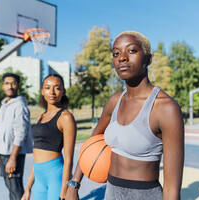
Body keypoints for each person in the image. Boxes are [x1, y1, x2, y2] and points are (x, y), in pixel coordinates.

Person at [65, 31, 184, 200]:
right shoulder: (115, 101)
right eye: (116, 53)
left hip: (145, 195)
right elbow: (93, 140)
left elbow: (172, 189)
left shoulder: (166, 108)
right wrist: (74, 183)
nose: (122, 57)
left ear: (148, 59)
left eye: (132, 50)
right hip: (111, 192)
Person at [21, 74, 77, 200]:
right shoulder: (40, 117)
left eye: (57, 88)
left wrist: (64, 190)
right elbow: (36, 156)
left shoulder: (66, 117)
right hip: (39, 177)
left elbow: (69, 159)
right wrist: (28, 188)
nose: (51, 92)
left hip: (55, 176)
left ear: (63, 91)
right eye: (47, 87)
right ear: (42, 91)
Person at [0, 72, 33, 200]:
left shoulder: (20, 106)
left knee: (16, 190)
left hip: (13, 154)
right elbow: (2, 130)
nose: (10, 86)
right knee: (10, 187)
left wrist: (13, 158)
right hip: (5, 153)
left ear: (18, 86)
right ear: (2, 86)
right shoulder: (4, 105)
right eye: (6, 83)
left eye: (13, 83)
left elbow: (21, 133)